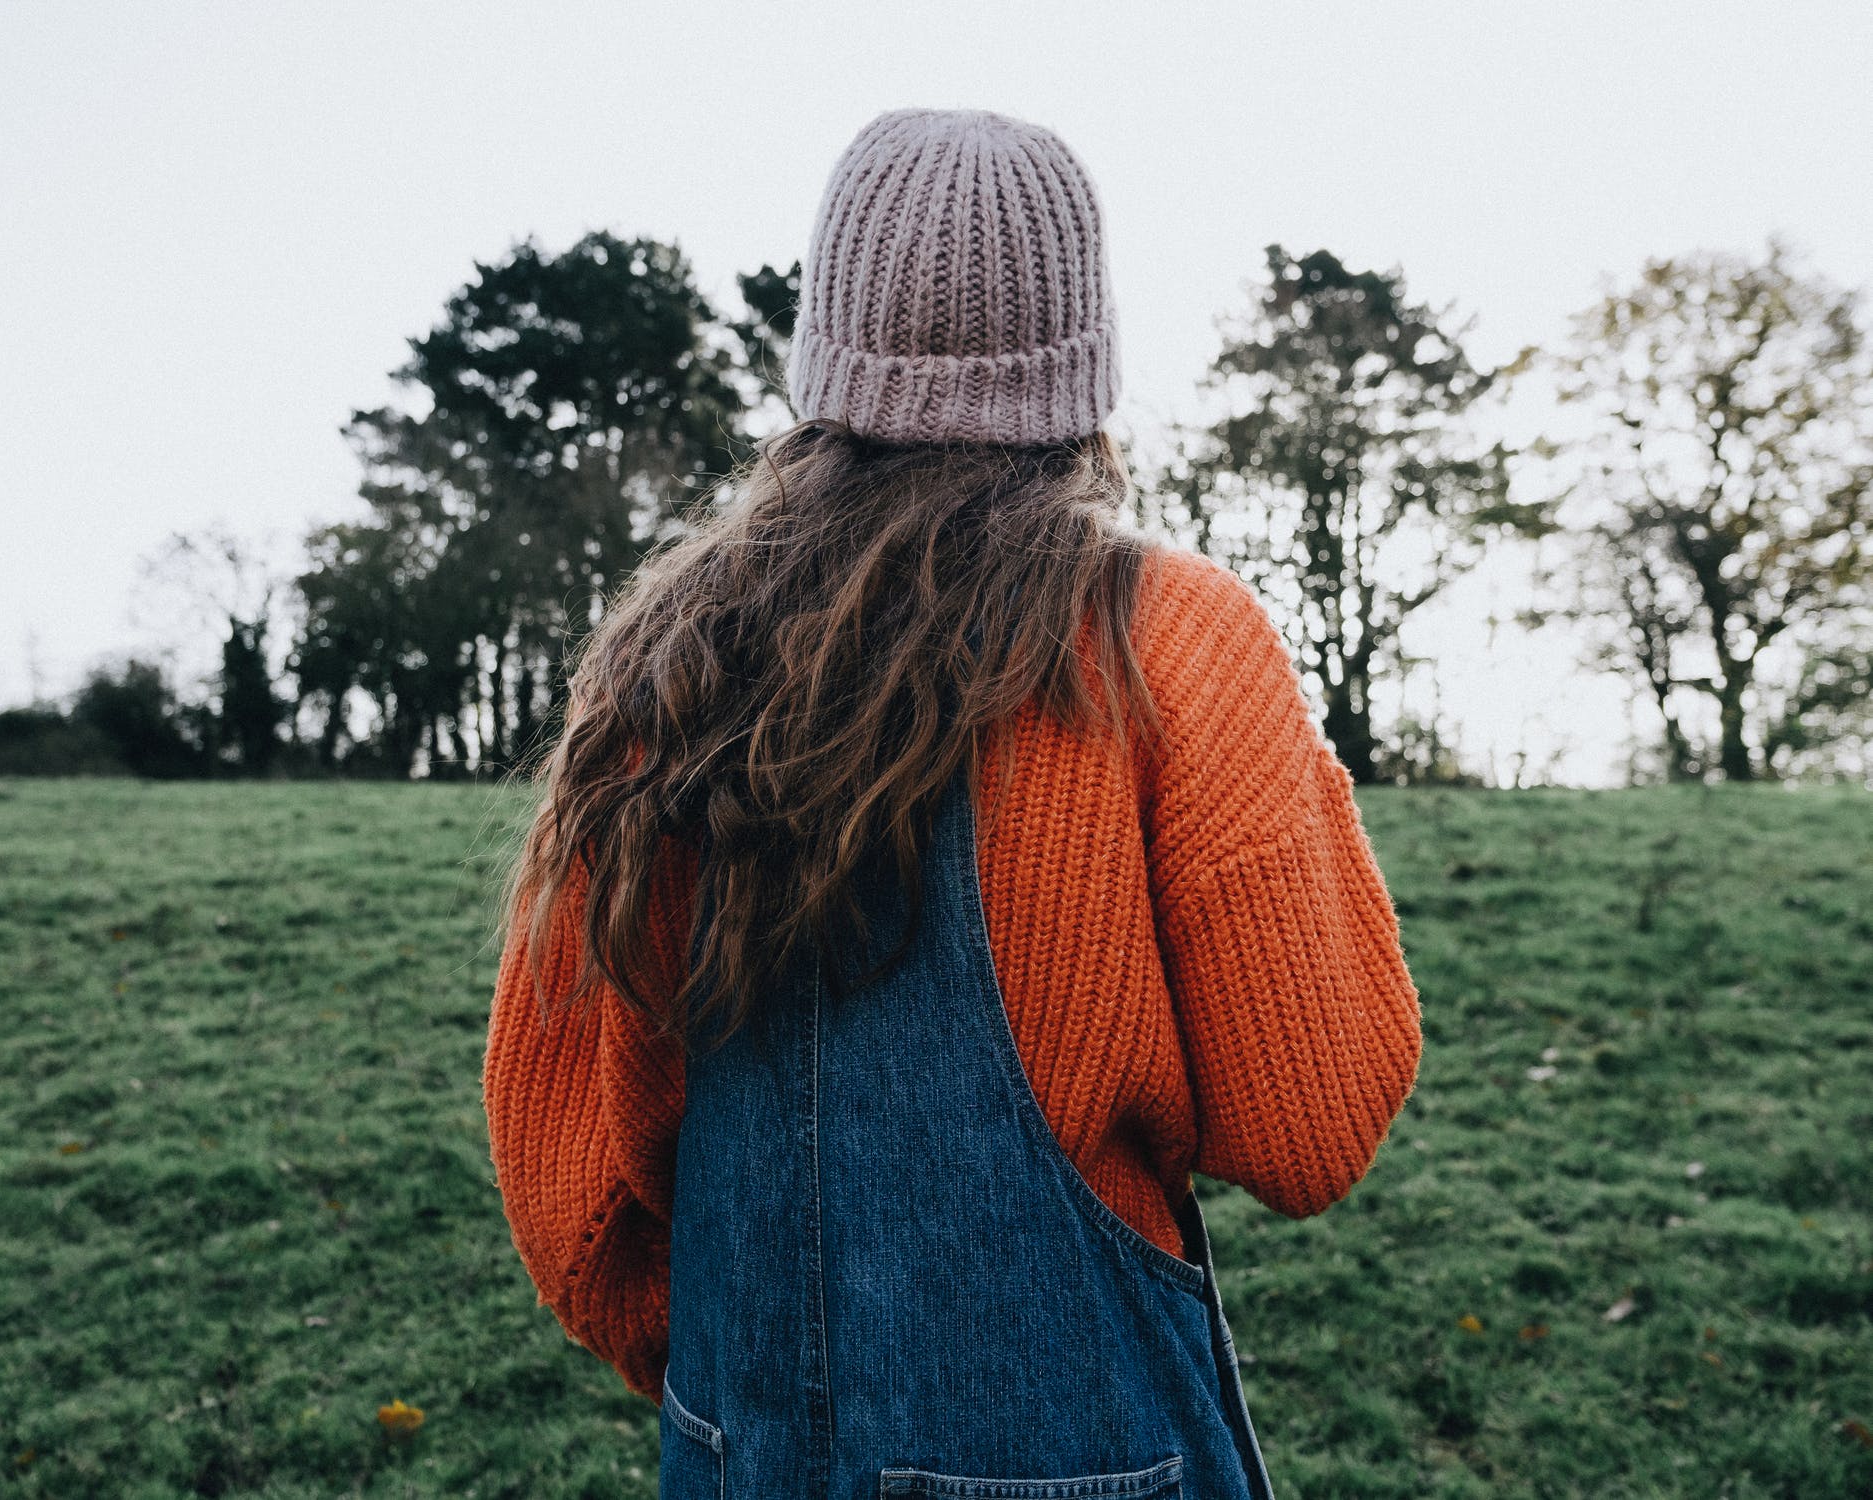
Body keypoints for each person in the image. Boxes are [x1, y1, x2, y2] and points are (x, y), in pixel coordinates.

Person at [483, 105, 1422, 1500]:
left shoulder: (670, 661)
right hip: (1088, 1461)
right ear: (1081, 365)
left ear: (828, 346)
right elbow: (1312, 1127)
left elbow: (563, 1159)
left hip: (737, 1454)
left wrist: (752, 1385)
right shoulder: (1173, 636)